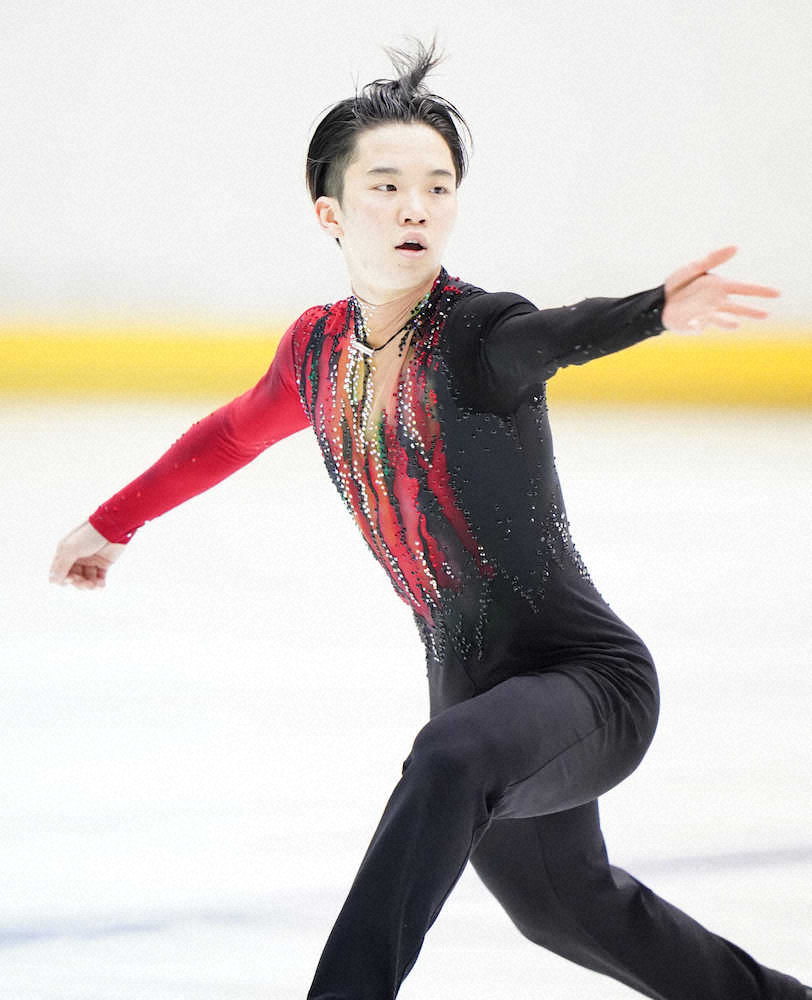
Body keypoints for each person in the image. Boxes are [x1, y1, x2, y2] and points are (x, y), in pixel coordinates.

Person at [49, 35, 808, 1000]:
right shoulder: (316, 352)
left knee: (450, 757)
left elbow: (557, 334)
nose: (416, 206)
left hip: (590, 684)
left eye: (438, 187)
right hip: (473, 690)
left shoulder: (477, 334)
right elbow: (232, 433)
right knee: (567, 907)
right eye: (387, 185)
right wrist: (113, 523)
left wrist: (652, 311)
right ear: (329, 211)